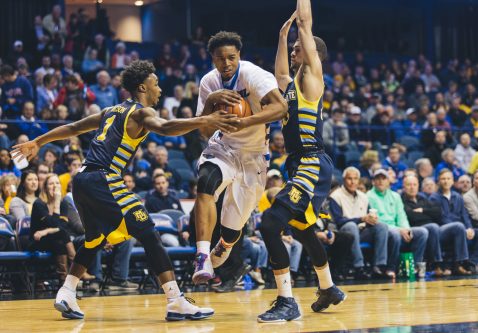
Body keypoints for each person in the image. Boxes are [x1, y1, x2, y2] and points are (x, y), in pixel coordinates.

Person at [12, 60, 240, 321]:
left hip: (82, 180)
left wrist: (38, 141)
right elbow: (166, 128)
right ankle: (175, 300)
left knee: (95, 239)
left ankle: (66, 292)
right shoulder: (142, 113)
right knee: (149, 234)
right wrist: (207, 119)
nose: (160, 90)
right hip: (103, 178)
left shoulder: (110, 111)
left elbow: (74, 128)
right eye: (155, 84)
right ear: (143, 86)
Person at [257, 2, 346, 322]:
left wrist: (299, 21)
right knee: (305, 230)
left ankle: (286, 301)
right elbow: (279, 74)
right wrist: (282, 37)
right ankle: (329, 288)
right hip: (298, 163)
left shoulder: (312, 78)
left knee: (269, 224)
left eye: (298, 48)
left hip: (311, 161)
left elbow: (305, 25)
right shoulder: (292, 85)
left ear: (312, 55)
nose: (295, 50)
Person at [191, 31, 287, 286]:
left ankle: (226, 243)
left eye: (231, 58)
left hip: (254, 156)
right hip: (224, 148)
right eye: (220, 59)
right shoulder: (209, 83)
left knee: (233, 229)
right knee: (205, 183)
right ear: (212, 58)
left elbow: (280, 107)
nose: (226, 64)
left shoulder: (253, 75)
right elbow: (203, 130)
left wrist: (245, 121)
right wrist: (211, 101)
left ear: (239, 56)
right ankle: (201, 255)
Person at [329, 167, 390, 279]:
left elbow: (368, 217)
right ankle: (359, 266)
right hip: (344, 233)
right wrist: (361, 219)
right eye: (349, 179)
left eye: (355, 179)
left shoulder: (363, 196)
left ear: (359, 180)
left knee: (382, 226)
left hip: (362, 231)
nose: (352, 182)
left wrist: (371, 219)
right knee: (351, 226)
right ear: (344, 179)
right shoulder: (335, 196)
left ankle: (379, 266)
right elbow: (338, 221)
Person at [367, 169, 429, 278]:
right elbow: (376, 221)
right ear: (373, 181)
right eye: (378, 179)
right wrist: (399, 230)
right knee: (394, 233)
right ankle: (391, 267)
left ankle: (414, 266)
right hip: (382, 229)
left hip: (398, 228)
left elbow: (401, 216)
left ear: (388, 181)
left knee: (422, 232)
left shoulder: (395, 196)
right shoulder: (368, 196)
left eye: (383, 178)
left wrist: (406, 229)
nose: (381, 181)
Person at [430, 169, 478, 274]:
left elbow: (464, 215)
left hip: (460, 228)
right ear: (438, 181)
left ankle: (471, 263)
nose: (446, 181)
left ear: (453, 181)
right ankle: (459, 264)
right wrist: (462, 227)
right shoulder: (434, 198)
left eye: (448, 178)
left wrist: (469, 228)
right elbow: (441, 218)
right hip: (442, 230)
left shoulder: (457, 196)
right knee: (458, 227)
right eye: (443, 179)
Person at [401, 175, 452, 276]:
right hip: (413, 228)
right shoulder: (401, 200)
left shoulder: (422, 198)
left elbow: (438, 212)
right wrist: (428, 215)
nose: (412, 187)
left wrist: (423, 210)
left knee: (438, 227)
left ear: (418, 186)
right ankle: (437, 264)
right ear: (404, 187)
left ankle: (447, 264)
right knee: (433, 227)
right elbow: (411, 216)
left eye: (414, 184)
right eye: (409, 185)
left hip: (430, 227)